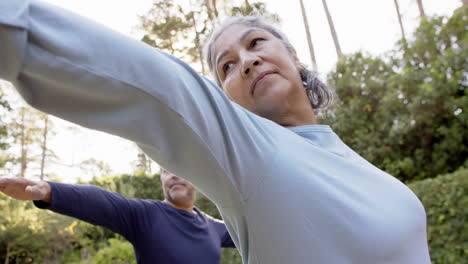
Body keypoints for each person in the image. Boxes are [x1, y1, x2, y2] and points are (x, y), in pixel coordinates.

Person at [0, 1, 431, 263]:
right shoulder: (251, 155)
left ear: (295, 58)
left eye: (256, 42)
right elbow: (155, 86)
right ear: (226, 100)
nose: (246, 60)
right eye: (227, 66)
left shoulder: (345, 157)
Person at [0, 169, 235, 264]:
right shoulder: (146, 214)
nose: (172, 175)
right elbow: (103, 202)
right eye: (165, 171)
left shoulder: (211, 226)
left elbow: (252, 232)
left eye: (178, 169)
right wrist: (50, 191)